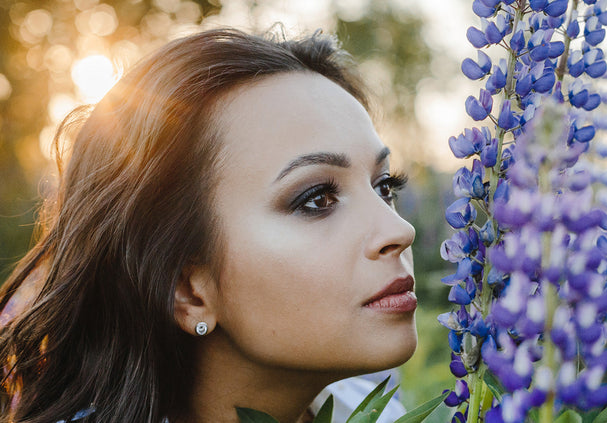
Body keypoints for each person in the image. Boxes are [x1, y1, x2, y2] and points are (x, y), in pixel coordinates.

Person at [0, 28, 418, 422]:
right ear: (188, 291)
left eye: (384, 186)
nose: (399, 231)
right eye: (317, 200)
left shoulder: (375, 407)